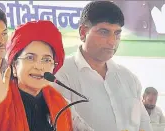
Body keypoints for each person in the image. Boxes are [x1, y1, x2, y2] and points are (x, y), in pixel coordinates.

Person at [0, 20, 93, 131]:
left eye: (46, 60)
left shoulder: (62, 103)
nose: (39, 66)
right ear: (15, 67)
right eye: (30, 57)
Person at [54, 1, 153, 131]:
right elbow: (64, 125)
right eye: (104, 32)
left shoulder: (129, 79)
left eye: (117, 33)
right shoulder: (60, 75)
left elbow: (144, 125)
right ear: (83, 32)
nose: (112, 41)